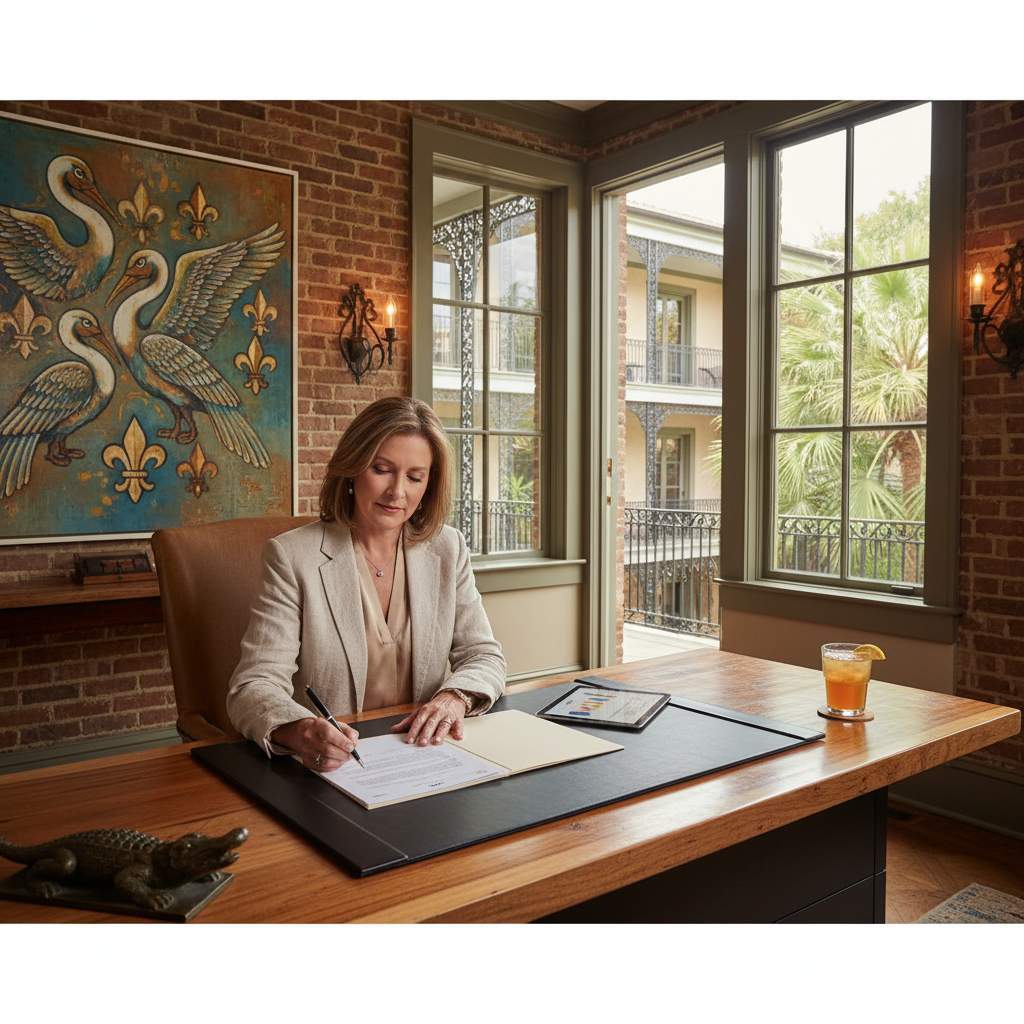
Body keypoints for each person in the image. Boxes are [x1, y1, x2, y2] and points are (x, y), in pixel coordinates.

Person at [226, 396, 506, 773]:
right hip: (333, 768)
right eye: (381, 469)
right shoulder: (293, 557)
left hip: (429, 758)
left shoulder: (447, 548)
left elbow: (484, 656)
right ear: (352, 469)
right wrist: (302, 730)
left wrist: (453, 698)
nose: (397, 492)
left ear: (429, 485)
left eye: (414, 476)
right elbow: (253, 685)